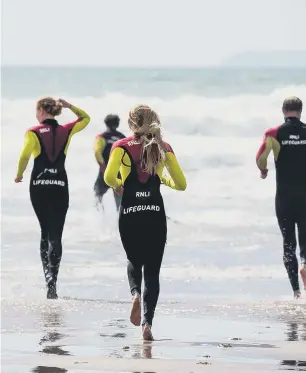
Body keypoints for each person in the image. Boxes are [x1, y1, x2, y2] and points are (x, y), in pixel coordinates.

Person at [104, 104, 187, 340]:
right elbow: (181, 184)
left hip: (130, 212)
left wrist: (119, 183)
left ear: (131, 124)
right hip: (154, 213)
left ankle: (135, 295)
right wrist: (161, 179)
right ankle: (147, 324)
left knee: (133, 259)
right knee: (153, 270)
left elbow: (109, 177)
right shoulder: (164, 147)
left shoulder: (121, 147)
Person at [256, 96, 306, 299]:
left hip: (284, 197)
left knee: (288, 243)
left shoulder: (273, 133)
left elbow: (260, 158)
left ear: (283, 111)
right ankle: (305, 267)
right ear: (301, 111)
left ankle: (296, 292)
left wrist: (264, 170)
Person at [15, 98, 90, 299]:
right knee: (56, 234)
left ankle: (47, 277)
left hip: (39, 186)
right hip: (59, 185)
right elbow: (86, 118)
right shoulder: (67, 130)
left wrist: (20, 174)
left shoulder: (33, 132)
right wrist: (70, 106)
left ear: (41, 110)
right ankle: (53, 285)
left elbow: (24, 156)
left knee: (45, 231)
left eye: (36, 110)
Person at [94, 114, 126, 211]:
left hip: (106, 171)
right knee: (120, 200)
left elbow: (97, 152)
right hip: (119, 173)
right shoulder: (122, 138)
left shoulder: (101, 137)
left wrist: (102, 166)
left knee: (98, 195)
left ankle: (99, 219)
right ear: (117, 124)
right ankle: (121, 222)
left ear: (106, 124)